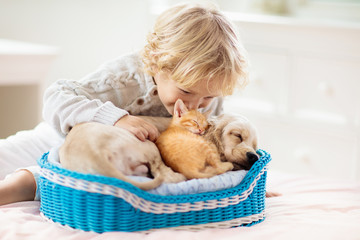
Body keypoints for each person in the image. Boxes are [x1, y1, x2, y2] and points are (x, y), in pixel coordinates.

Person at [0, 3, 248, 205]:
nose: (196, 105)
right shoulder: (123, 79)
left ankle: (31, 182)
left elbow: (213, 143)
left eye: (209, 97)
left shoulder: (207, 99)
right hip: (57, 137)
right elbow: (56, 96)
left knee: (97, 183)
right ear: (155, 63)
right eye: (185, 91)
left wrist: (240, 183)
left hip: (113, 160)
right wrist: (116, 119)